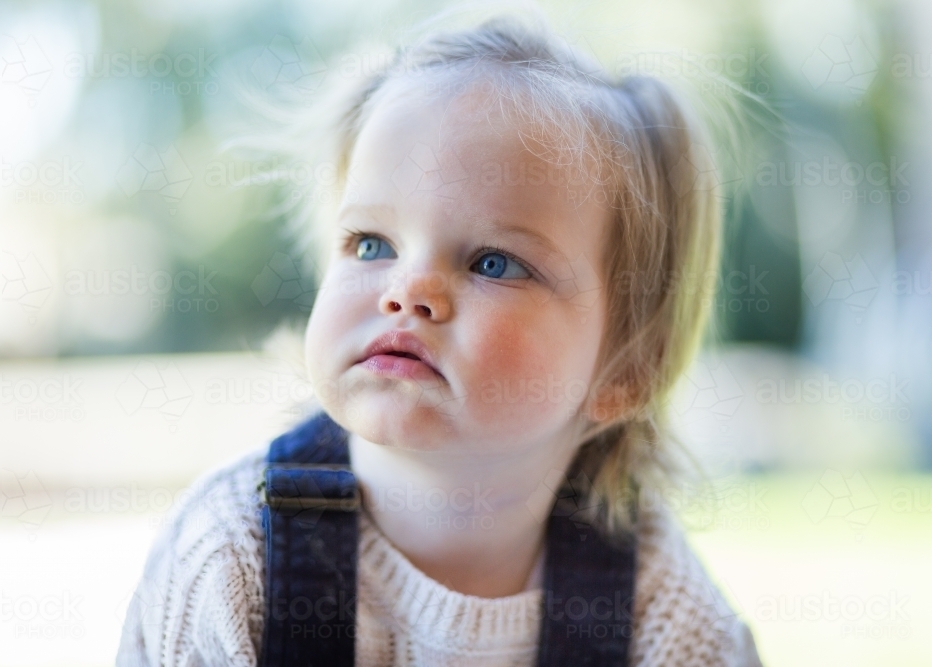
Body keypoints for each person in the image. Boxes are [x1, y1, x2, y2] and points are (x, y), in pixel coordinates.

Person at [117, 12, 762, 667]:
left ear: (626, 369)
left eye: (493, 262)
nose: (407, 289)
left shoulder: (661, 614)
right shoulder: (233, 556)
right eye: (372, 244)